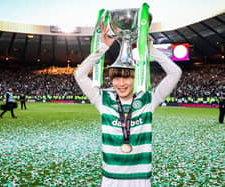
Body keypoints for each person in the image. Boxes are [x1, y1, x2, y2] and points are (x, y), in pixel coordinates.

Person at [74, 24, 182, 186]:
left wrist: (150, 50)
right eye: (116, 78)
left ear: (135, 78)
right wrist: (103, 47)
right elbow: (80, 75)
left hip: (140, 179)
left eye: (127, 77)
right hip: (111, 179)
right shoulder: (103, 99)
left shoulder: (148, 100)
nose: (121, 83)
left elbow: (175, 73)